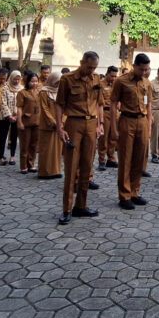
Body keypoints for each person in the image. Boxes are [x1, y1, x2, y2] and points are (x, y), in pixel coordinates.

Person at [55, 52, 103, 224]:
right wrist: (60, 126)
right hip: (74, 124)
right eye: (89, 67)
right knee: (71, 167)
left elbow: (99, 103)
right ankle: (67, 209)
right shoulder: (67, 79)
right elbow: (59, 104)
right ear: (81, 62)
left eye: (94, 68)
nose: (91, 71)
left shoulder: (96, 79)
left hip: (91, 126)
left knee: (87, 166)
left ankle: (81, 206)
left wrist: (100, 124)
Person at [110, 53, 152, 210]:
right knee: (126, 158)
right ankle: (124, 195)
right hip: (127, 120)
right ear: (134, 66)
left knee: (139, 159)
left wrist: (148, 123)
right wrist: (114, 128)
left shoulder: (146, 83)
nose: (143, 72)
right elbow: (113, 103)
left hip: (142, 121)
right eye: (141, 69)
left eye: (146, 69)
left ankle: (135, 192)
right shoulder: (121, 81)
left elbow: (148, 104)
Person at [36, 72, 63, 179]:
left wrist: (61, 121)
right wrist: (53, 121)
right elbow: (44, 108)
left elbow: (64, 107)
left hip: (59, 125)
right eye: (56, 82)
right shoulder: (44, 92)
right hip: (47, 125)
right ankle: (45, 172)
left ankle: (56, 170)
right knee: (46, 149)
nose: (57, 84)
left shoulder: (61, 92)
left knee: (57, 149)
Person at [0, 70, 24, 165]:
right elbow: (3, 102)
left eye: (18, 79)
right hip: (5, 116)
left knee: (14, 136)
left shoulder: (21, 89)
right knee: (3, 137)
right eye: (14, 79)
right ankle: (1, 156)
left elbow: (21, 103)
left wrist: (16, 115)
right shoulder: (5, 88)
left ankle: (12, 156)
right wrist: (9, 115)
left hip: (17, 116)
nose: (16, 81)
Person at [97, 66, 120, 171]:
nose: (114, 78)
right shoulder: (101, 84)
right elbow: (99, 103)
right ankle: (102, 160)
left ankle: (111, 159)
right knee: (103, 138)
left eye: (115, 76)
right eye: (112, 76)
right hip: (105, 112)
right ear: (107, 74)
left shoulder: (116, 85)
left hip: (115, 113)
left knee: (113, 137)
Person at [18, 72, 40, 172]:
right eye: (32, 81)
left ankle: (31, 163)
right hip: (26, 121)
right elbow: (19, 108)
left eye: (36, 81)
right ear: (28, 81)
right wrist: (19, 122)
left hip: (37, 121)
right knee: (25, 144)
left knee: (34, 145)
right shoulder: (22, 93)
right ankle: (23, 165)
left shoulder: (39, 92)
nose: (34, 83)